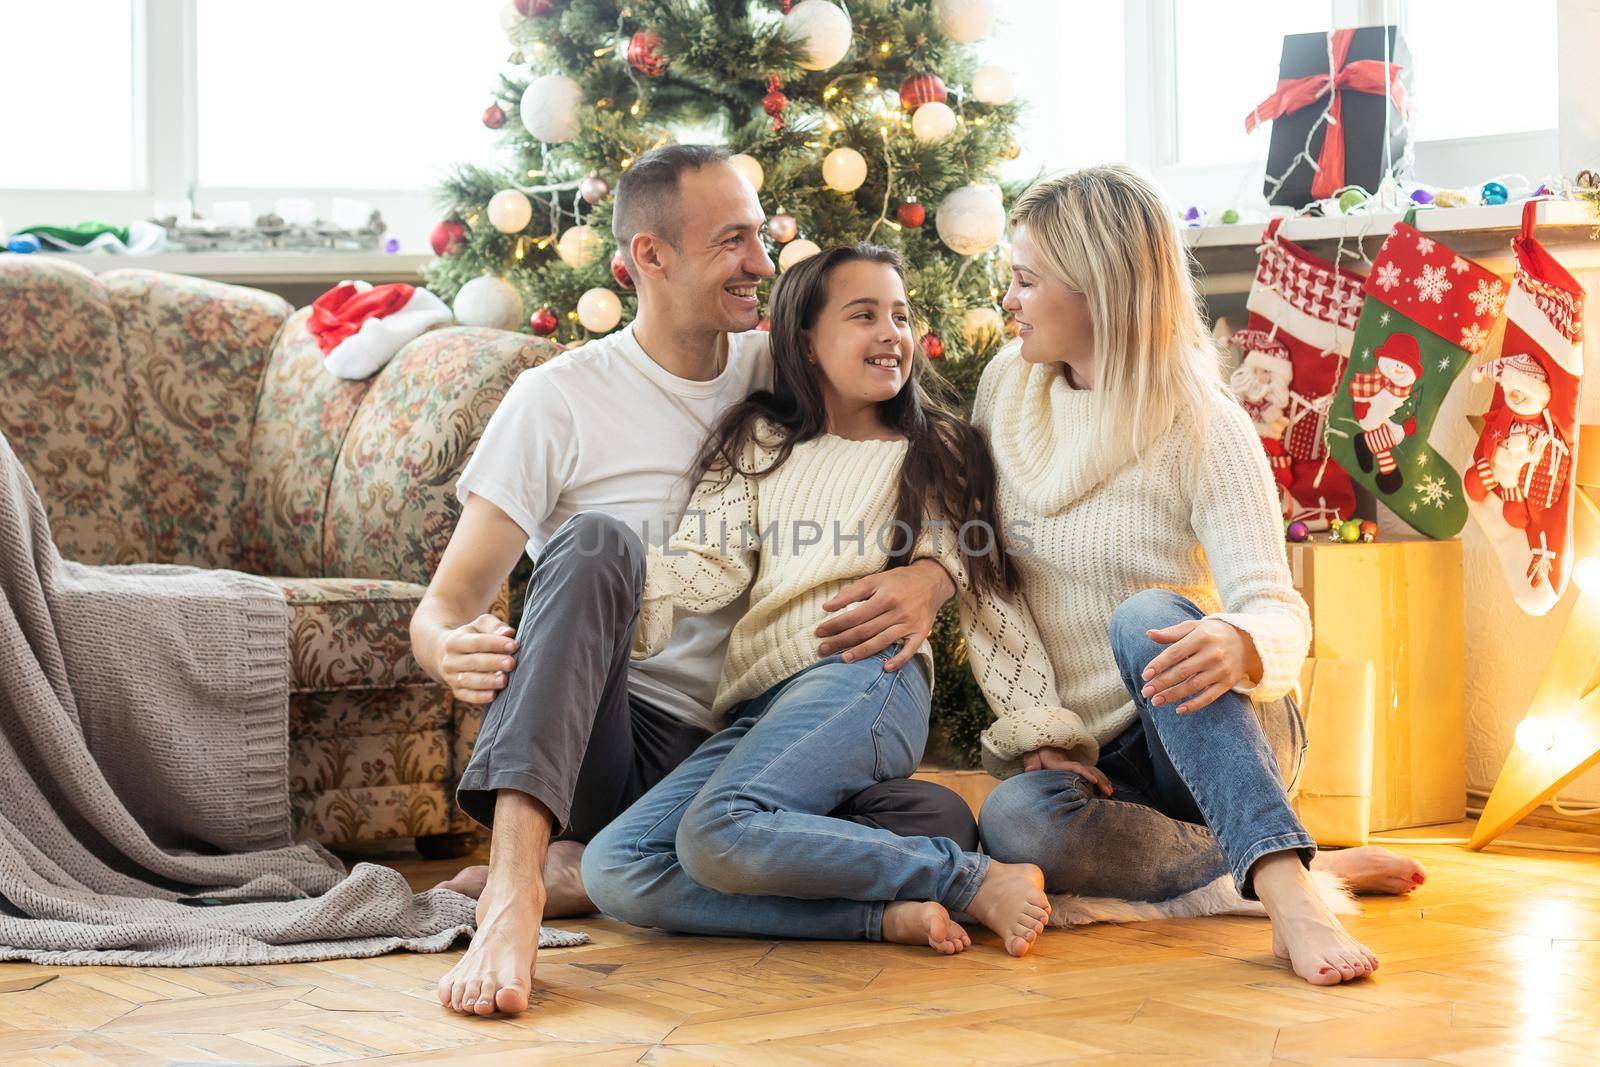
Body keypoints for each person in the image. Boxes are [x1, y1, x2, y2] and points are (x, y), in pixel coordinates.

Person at [413, 146, 973, 1017]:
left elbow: (926, 452)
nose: (761, 263)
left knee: (937, 819)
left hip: (750, 741)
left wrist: (936, 574)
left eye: (760, 235)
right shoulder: (556, 400)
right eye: (732, 242)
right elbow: (443, 608)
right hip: (608, 738)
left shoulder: (784, 366)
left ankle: (599, 871)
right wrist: (449, 647)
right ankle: (516, 889)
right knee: (599, 544)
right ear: (651, 257)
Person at [971, 164, 1428, 988]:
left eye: (1027, 279)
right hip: (1100, 762)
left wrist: (1239, 639)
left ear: (1099, 288)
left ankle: (1289, 892)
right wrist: (1040, 728)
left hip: (1215, 725)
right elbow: (987, 584)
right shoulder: (1004, 391)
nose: (1009, 299)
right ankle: (1278, 847)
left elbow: (1277, 608)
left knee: (1144, 616)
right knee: (1014, 821)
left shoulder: (1202, 424)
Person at [581, 243, 1069, 956]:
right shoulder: (761, 439)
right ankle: (881, 915)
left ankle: (969, 877)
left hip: (868, 675)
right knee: (616, 867)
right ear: (806, 341)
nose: (891, 334)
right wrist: (613, 591)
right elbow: (705, 563)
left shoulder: (937, 448)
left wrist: (1040, 727)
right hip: (763, 704)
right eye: (863, 315)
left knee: (717, 829)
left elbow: (981, 590)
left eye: (900, 315)